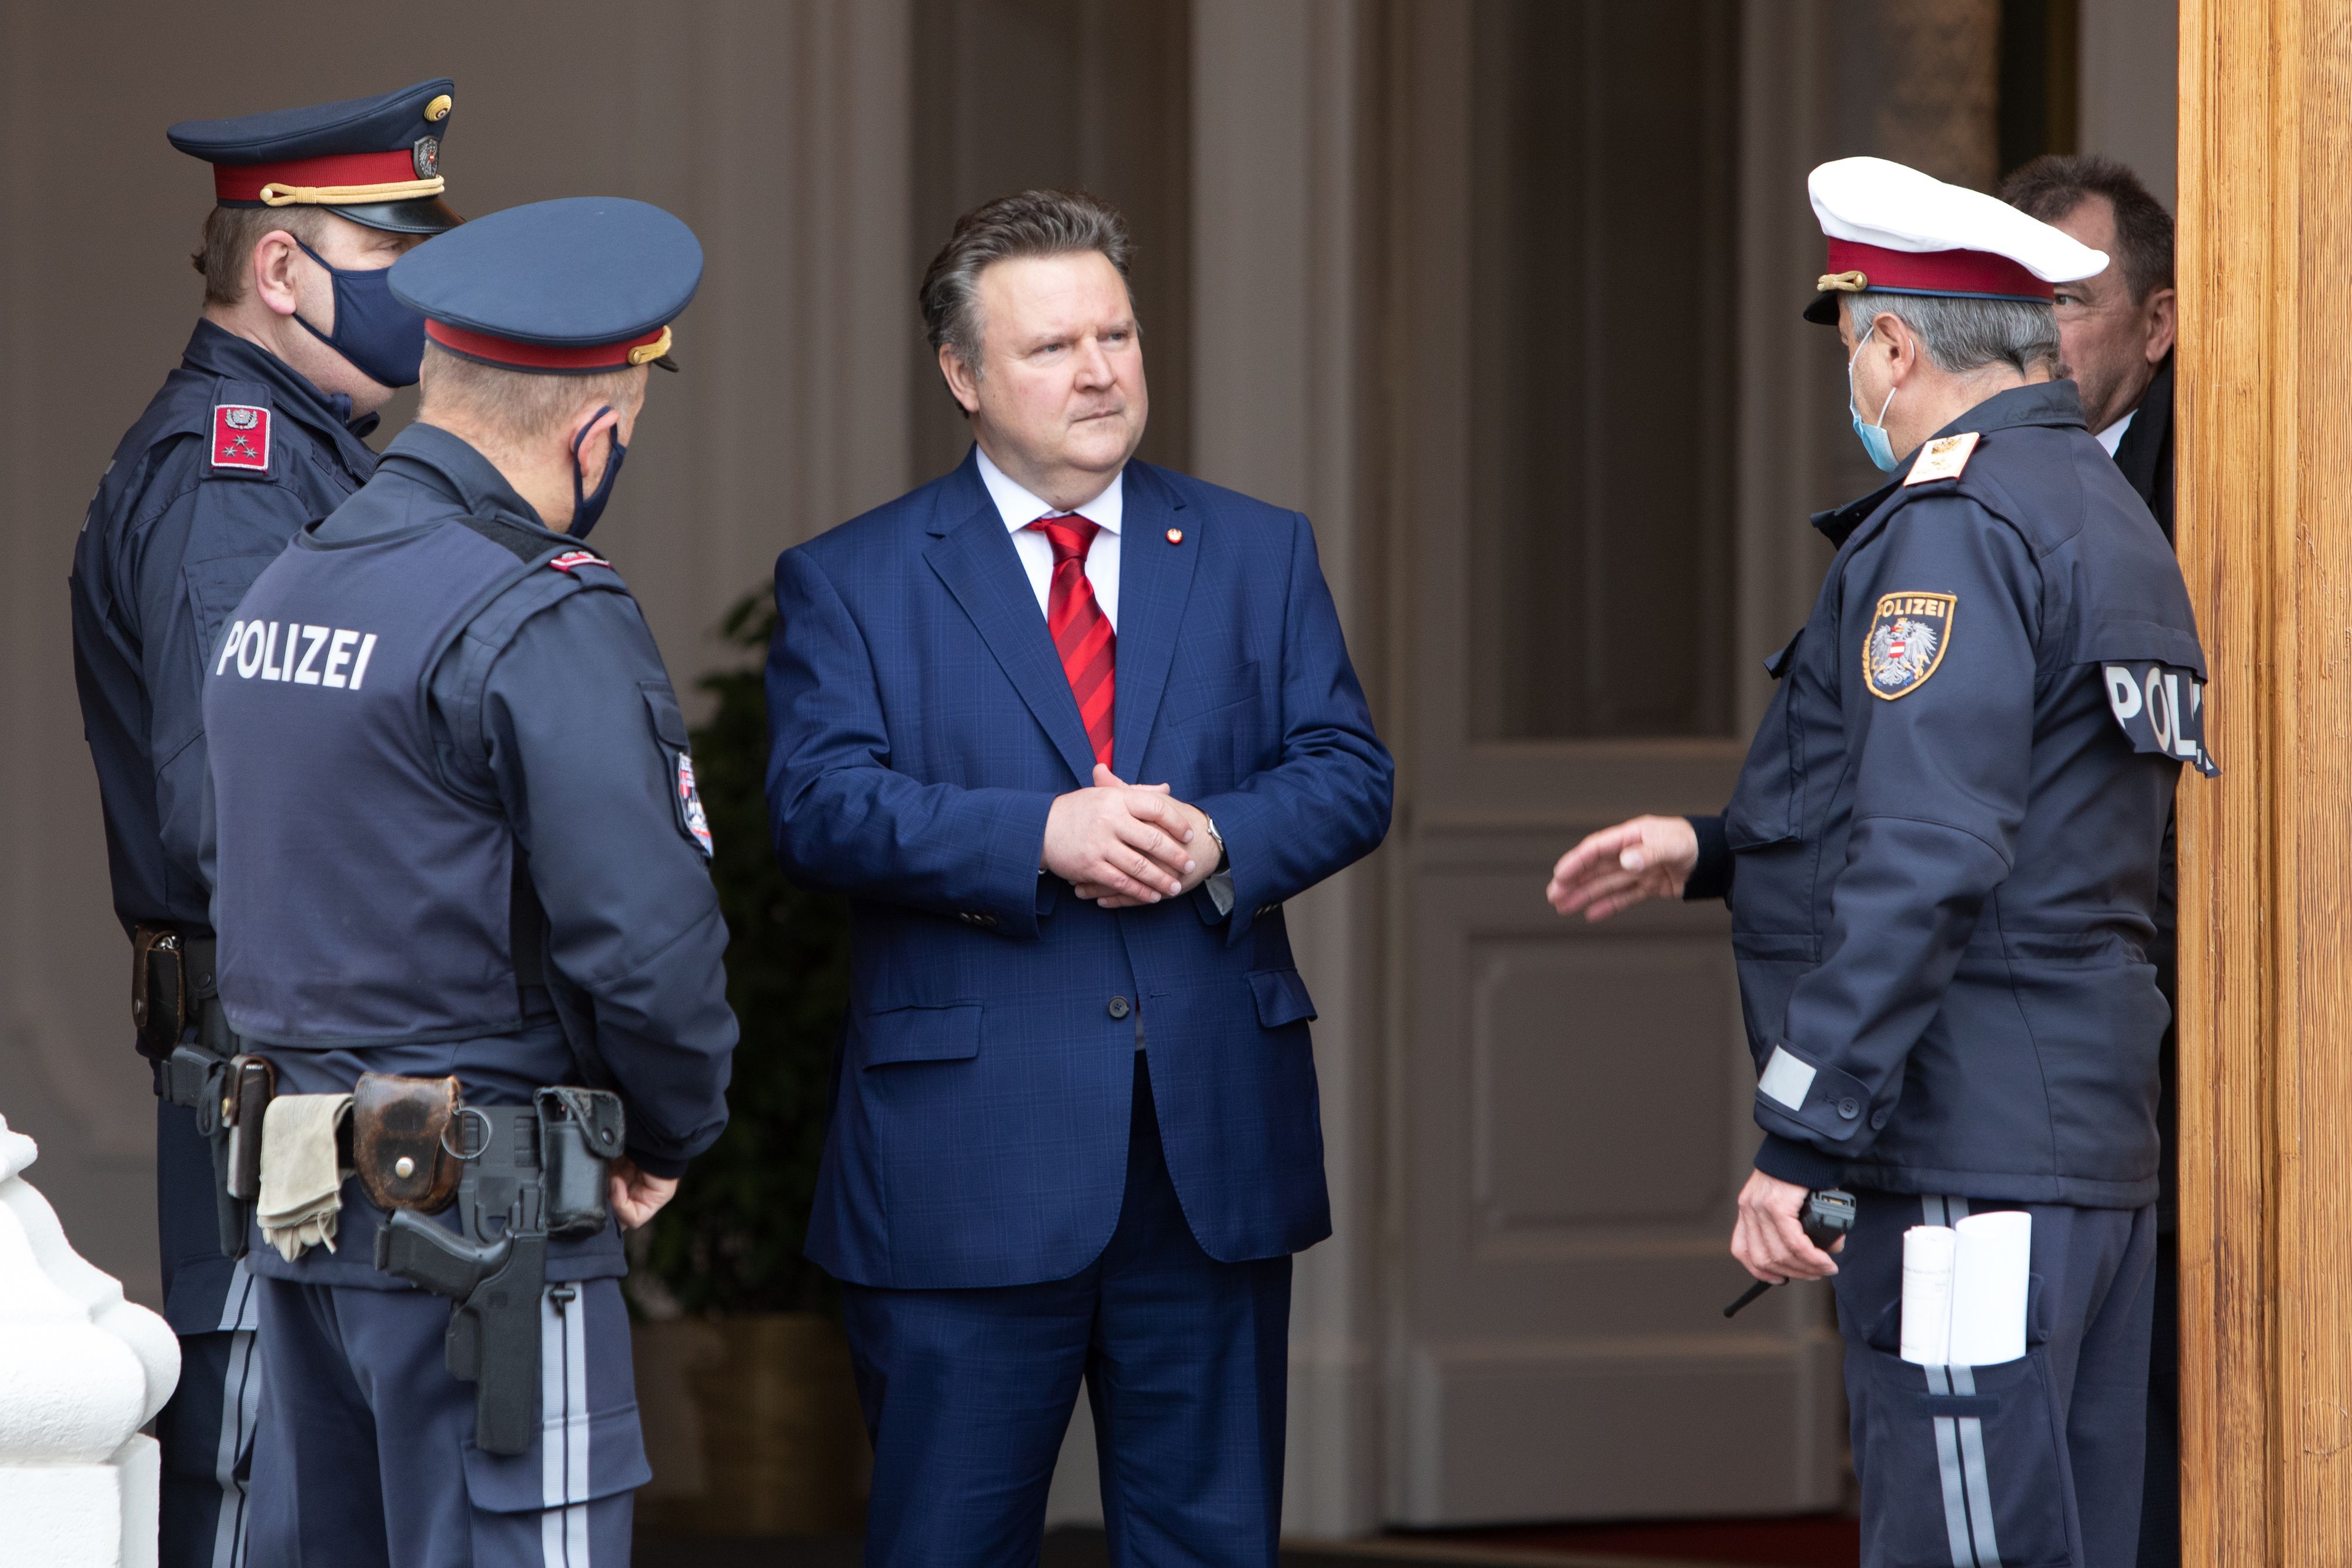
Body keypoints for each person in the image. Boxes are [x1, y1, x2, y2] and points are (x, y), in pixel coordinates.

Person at [1544, 157, 2213, 1568]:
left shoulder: (1956, 524)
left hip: (1968, 1145)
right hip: (2080, 1143)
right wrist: (1716, 848)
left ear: (1895, 344)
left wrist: (1803, 1134)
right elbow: (2026, 809)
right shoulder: (2102, 509)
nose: (1853, 379)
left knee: (1964, 1543)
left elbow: (1930, 849)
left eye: (1853, 345)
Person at [764, 188, 1392, 1565]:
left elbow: (1349, 769)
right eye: (1052, 346)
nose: (1099, 371)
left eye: (1116, 334)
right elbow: (816, 805)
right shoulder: (855, 577)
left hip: (1207, 1158)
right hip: (966, 1162)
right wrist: (1035, 836)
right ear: (962, 374)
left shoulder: (1256, 548)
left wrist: (1220, 837)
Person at [198, 197, 734, 1567]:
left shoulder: (285, 583)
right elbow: (646, 943)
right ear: (597, 430)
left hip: (301, 1228)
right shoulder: (540, 608)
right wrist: (666, 1129)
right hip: (486, 1236)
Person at [68, 79, 462, 1568]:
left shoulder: (309, 455)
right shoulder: (233, 472)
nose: (424, 295)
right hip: (279, 1059)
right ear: (283, 268)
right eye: (393, 257)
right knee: (263, 1479)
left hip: (309, 1049)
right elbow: (235, 805)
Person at [1997, 153, 2183, 1568]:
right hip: (2040, 1060)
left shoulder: (2221, 482)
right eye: (2015, 299)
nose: (2036, 331)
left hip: (2174, 1017)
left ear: (2154, 323)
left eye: (2066, 298)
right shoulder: (1968, 477)